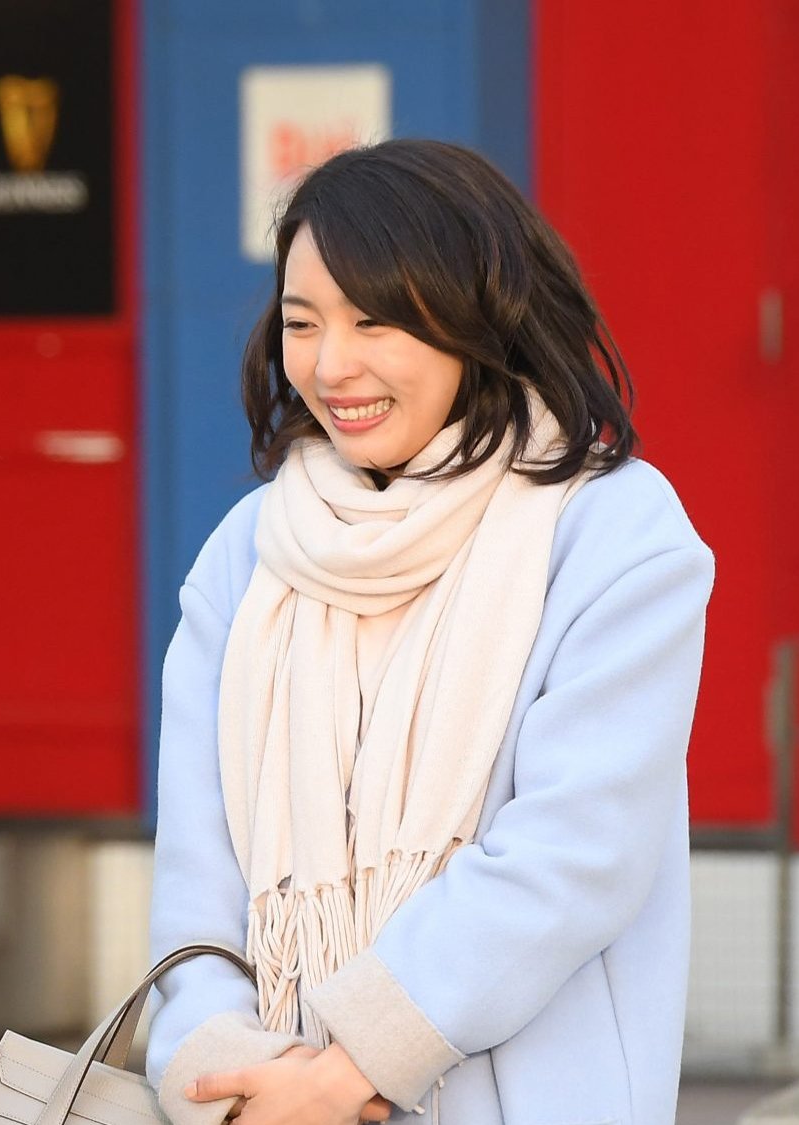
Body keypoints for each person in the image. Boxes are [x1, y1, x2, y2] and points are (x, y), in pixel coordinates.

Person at [147, 139, 714, 1125]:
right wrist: (230, 1076)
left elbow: (571, 856)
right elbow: (197, 881)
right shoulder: (247, 556)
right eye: (300, 323)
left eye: (376, 322)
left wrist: (349, 1068)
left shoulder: (611, 534)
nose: (330, 366)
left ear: (475, 319)